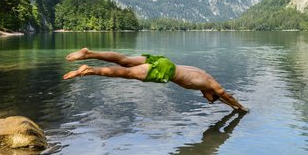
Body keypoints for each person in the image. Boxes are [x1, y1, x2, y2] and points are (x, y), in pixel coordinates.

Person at [63, 48, 249, 112]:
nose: (205, 99)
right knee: (126, 73)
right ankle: (89, 70)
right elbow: (225, 94)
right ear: (211, 93)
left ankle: (89, 54)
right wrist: (240, 107)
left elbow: (223, 98)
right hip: (165, 72)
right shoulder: (211, 85)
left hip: (165, 62)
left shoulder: (204, 75)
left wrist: (230, 107)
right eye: (209, 99)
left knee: (125, 60)